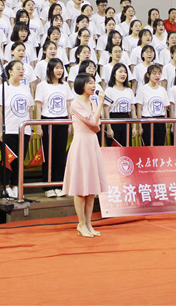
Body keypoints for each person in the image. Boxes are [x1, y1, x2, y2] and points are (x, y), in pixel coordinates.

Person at [62, 72, 108, 238]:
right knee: (81, 187)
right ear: (82, 85)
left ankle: (88, 223)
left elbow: (96, 125)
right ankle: (81, 223)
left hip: (92, 143)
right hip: (81, 144)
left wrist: (98, 105)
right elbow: (93, 122)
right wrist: (101, 103)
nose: (93, 85)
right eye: (90, 83)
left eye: (94, 82)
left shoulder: (92, 102)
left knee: (91, 188)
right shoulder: (76, 103)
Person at [0, 60, 33, 199]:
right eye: (18, 68)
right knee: (7, 160)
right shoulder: (3, 88)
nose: (21, 71)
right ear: (10, 71)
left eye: (23, 69)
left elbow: (30, 109)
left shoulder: (25, 88)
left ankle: (16, 185)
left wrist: (31, 128)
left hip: (23, 130)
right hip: (8, 129)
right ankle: (5, 186)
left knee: (20, 160)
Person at [34, 58, 72, 198]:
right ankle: (48, 186)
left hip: (62, 121)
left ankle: (59, 184)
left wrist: (69, 124)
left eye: (61, 68)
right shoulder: (42, 86)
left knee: (60, 155)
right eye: (56, 68)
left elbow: (68, 105)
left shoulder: (65, 85)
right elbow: (38, 106)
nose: (59, 70)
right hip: (47, 121)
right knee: (48, 154)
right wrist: (38, 125)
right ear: (50, 70)